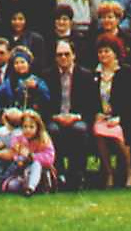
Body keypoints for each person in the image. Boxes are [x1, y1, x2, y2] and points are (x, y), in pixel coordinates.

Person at [43, 39, 100, 191]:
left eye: (67, 54)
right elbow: (43, 105)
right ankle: (58, 174)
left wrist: (77, 117)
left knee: (79, 129)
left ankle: (77, 174)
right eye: (59, 55)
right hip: (55, 118)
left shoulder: (86, 75)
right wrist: (55, 117)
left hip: (78, 118)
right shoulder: (47, 75)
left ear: (74, 55)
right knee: (52, 130)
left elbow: (93, 105)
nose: (63, 58)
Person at [93, 33, 131, 188]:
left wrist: (119, 118)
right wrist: (97, 114)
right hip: (102, 118)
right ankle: (109, 173)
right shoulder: (95, 74)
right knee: (98, 131)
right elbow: (91, 99)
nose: (103, 55)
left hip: (122, 118)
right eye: (100, 52)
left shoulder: (126, 72)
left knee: (118, 133)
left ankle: (130, 171)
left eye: (107, 51)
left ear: (115, 53)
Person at [1, 110, 56, 196]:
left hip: (41, 169)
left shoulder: (44, 139)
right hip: (23, 171)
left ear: (38, 127)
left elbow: (49, 158)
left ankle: (31, 188)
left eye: (31, 127)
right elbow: (14, 155)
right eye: (25, 127)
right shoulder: (18, 139)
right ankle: (28, 184)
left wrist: (31, 156)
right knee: (12, 186)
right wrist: (19, 159)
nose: (28, 130)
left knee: (36, 164)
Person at [0, 47, 51, 114]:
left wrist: (37, 86)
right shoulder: (8, 82)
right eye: (16, 63)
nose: (19, 65)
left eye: (22, 62)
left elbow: (47, 98)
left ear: (28, 64)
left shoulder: (36, 80)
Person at [96, 1, 131, 72]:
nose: (106, 20)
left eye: (110, 17)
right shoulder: (93, 38)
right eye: (103, 17)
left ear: (118, 19)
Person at [0, 108, 24, 189]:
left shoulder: (20, 133)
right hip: (2, 153)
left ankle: (2, 181)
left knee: (13, 164)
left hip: (14, 155)